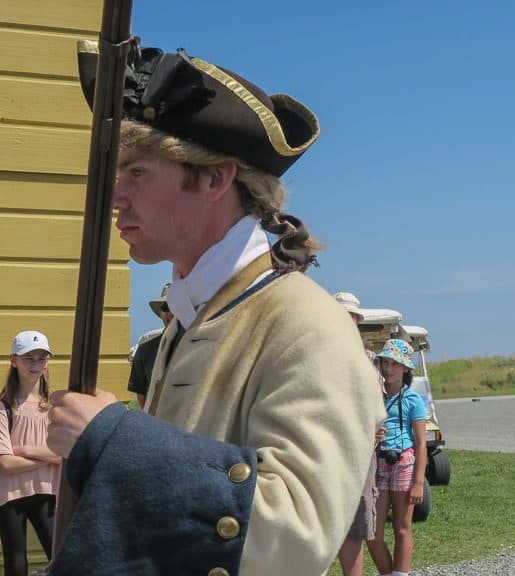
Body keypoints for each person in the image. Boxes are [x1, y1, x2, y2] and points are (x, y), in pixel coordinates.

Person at [43, 43, 384, 576]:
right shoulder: (189, 317)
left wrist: (110, 439)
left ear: (213, 178)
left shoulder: (306, 325)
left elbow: (296, 536)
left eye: (135, 172)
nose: (114, 196)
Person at [334, 291, 386, 576]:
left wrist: (378, 426)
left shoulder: (370, 360)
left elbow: (377, 406)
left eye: (351, 317)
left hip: (360, 453)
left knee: (356, 522)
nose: (346, 321)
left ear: (357, 321)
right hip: (324, 450)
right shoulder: (316, 355)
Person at [1, 331, 61, 576]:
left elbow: (65, 454)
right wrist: (47, 457)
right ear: (13, 360)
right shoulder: (4, 407)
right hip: (10, 496)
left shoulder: (55, 406)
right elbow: (5, 465)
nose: (36, 365)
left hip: (48, 493)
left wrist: (26, 450)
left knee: (60, 557)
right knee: (16, 564)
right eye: (29, 358)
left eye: (41, 358)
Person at [366, 339, 428, 576]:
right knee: (373, 533)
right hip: (378, 463)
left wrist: (418, 482)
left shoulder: (412, 399)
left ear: (405, 369)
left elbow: (422, 443)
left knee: (403, 529)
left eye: (394, 364)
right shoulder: (375, 398)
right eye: (385, 363)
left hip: (403, 463)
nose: (388, 369)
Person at [126, 283, 174, 407]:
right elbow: (141, 396)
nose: (171, 313)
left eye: (177, 306)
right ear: (160, 313)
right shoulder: (145, 350)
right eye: (166, 307)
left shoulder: (200, 345)